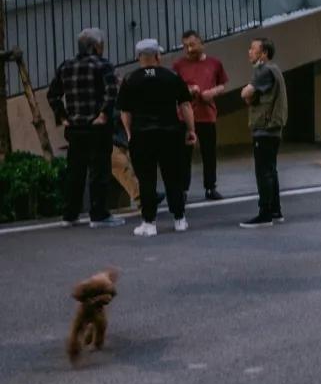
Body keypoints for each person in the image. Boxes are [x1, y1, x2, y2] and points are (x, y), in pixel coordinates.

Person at [46, 27, 126, 228]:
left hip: (74, 128)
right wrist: (104, 114)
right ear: (96, 46)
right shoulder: (103, 65)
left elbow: (52, 95)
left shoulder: (66, 66)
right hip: (97, 127)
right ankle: (98, 214)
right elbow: (111, 93)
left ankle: (70, 214)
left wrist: (63, 117)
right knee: (99, 170)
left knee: (75, 171)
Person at [117, 39, 197, 236]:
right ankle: (179, 219)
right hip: (170, 133)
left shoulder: (129, 79)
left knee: (146, 179)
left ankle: (149, 223)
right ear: (158, 56)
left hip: (142, 134)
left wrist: (129, 133)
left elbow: (125, 111)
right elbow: (185, 105)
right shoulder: (171, 76)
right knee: (173, 176)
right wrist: (191, 129)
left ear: (138, 58)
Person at [173, 30, 228, 201]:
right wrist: (189, 90)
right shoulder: (178, 65)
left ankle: (210, 187)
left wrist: (212, 92)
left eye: (192, 45)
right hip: (184, 116)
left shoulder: (214, 63)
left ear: (201, 44)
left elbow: (222, 84)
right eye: (185, 46)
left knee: (209, 153)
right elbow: (174, 89)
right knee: (183, 156)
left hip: (207, 115)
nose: (189, 49)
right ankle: (182, 190)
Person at [239, 37, 288, 228]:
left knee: (263, 172)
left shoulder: (264, 70)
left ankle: (265, 213)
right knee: (270, 170)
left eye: (253, 49)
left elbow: (246, 94)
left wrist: (246, 92)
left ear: (264, 53)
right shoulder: (273, 70)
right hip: (273, 128)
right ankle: (275, 210)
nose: (249, 52)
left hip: (265, 128)